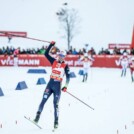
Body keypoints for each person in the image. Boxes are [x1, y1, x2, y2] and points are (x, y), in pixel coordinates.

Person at [34, 41, 70, 129]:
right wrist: (51, 45)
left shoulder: (66, 65)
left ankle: (56, 122)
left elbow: (68, 77)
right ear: (58, 56)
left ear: (64, 57)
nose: (61, 57)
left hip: (57, 86)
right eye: (60, 56)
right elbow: (46, 54)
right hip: (50, 84)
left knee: (56, 104)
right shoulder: (53, 61)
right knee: (43, 100)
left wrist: (65, 86)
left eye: (62, 56)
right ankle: (37, 117)